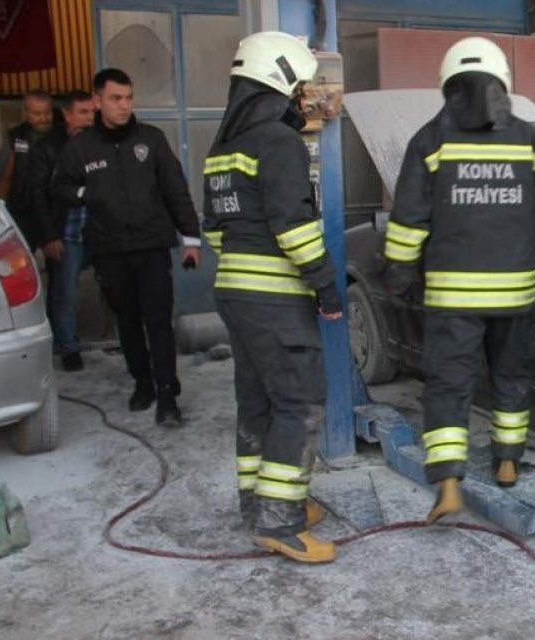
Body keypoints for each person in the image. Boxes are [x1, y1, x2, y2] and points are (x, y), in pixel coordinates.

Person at [384, 37, 535, 523]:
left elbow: (408, 220)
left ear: (448, 84)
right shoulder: (532, 142)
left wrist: (400, 274)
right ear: (503, 83)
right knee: (510, 376)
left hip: (451, 296)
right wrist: (534, 234)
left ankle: (448, 482)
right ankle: (507, 462)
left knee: (449, 384)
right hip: (516, 290)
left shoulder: (429, 141)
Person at [201, 32, 343, 563]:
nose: (305, 95)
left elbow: (215, 231)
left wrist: (244, 262)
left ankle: (257, 505)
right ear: (277, 79)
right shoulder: (278, 143)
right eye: (299, 84)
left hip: (235, 293)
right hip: (276, 297)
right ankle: (280, 523)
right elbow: (295, 228)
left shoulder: (223, 147)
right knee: (299, 401)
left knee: (257, 400)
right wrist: (325, 285)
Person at [51, 68, 201, 428]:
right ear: (98, 100)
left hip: (151, 246)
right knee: (129, 324)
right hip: (110, 250)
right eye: (116, 98)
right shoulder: (81, 149)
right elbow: (59, 188)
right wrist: (87, 193)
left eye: (128, 98)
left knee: (159, 322)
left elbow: (175, 191)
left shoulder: (151, 140)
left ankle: (168, 396)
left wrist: (191, 239)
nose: (124, 105)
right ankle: (143, 383)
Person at [31, 90, 96, 372]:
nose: (89, 118)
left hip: (100, 230)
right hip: (66, 232)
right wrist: (48, 236)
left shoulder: (101, 143)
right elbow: (38, 194)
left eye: (92, 112)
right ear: (67, 114)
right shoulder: (48, 146)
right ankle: (68, 347)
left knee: (117, 287)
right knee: (65, 293)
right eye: (83, 112)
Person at [0, 90, 57, 253]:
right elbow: (4, 176)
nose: (43, 118)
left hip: (53, 213)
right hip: (22, 210)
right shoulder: (15, 136)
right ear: (26, 112)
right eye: (37, 113)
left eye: (47, 113)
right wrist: (0, 208)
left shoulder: (60, 135)